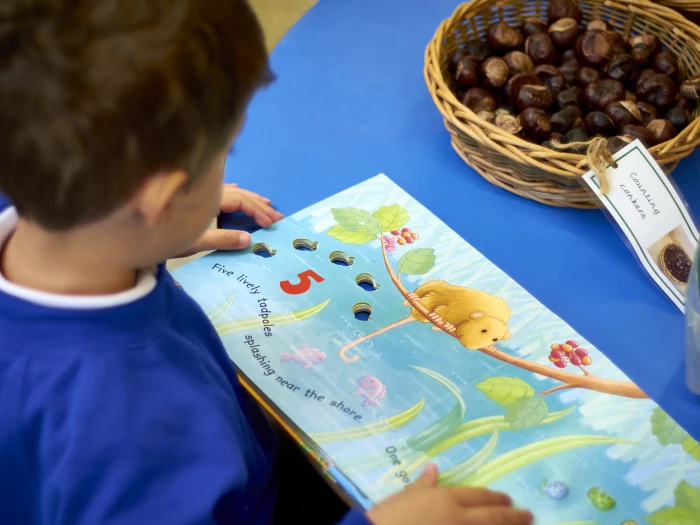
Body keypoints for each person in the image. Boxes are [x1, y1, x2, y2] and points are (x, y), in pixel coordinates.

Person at [0, 1, 534, 524]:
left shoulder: (42, 213)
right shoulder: (133, 426)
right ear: (161, 197)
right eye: (221, 153)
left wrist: (147, 236)